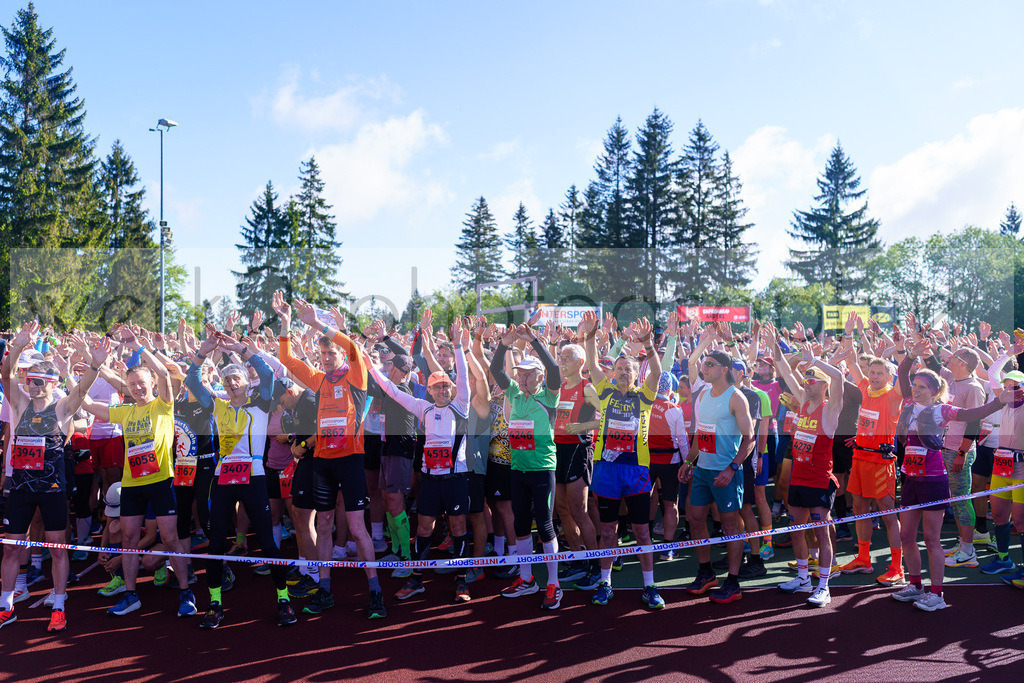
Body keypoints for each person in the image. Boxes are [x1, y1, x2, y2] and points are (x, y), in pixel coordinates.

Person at [271, 291, 385, 619]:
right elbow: (289, 362)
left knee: (357, 527)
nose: (326, 356)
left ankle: (374, 590)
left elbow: (354, 349)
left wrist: (321, 324)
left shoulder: (356, 375)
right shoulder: (319, 380)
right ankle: (324, 589)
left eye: (330, 350)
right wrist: (286, 324)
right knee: (324, 523)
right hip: (322, 461)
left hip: (350, 460)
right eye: (322, 352)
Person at [80, 325, 197, 618]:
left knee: (170, 539)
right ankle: (131, 594)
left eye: (141, 383)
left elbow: (163, 374)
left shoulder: (162, 405)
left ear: (152, 385)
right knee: (129, 539)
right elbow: (90, 404)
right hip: (132, 484)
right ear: (128, 389)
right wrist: (80, 373)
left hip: (161, 481)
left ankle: (186, 592)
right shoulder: (125, 411)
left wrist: (138, 347)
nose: (137, 388)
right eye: (132, 385)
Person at [890, 339, 1013, 611]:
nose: (916, 390)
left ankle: (937, 594)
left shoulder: (941, 409)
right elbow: (901, 373)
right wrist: (910, 355)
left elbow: (972, 413)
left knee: (932, 539)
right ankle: (915, 585)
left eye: (922, 387)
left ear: (935, 391)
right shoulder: (909, 402)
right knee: (907, 536)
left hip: (933, 480)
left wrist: (998, 402)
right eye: (915, 386)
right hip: (910, 478)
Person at [185, 332, 297, 628]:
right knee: (216, 544)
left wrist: (241, 350)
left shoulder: (261, 404)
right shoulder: (218, 405)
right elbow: (193, 382)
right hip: (223, 478)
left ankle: (284, 600)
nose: (232, 383)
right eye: (227, 381)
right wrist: (202, 352)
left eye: (237, 379)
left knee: (268, 544)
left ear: (247, 384)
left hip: (254, 477)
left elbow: (266, 371)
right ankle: (215, 604)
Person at [0, 324, 105, 632]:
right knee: (9, 548)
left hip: (52, 490)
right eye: (29, 381)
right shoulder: (19, 405)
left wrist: (96, 365)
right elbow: (5, 375)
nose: (33, 386)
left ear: (51, 383)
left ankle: (58, 604)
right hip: (20, 488)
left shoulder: (61, 409)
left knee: (57, 547)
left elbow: (82, 389)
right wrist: (17, 346)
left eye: (39, 382)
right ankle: (6, 605)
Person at [365, 317, 473, 603]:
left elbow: (462, 376)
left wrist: (459, 346)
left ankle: (462, 581)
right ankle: (416, 579)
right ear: (430, 390)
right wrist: (369, 366)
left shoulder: (461, 406)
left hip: (455, 480)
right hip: (430, 481)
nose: (442, 391)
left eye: (446, 387)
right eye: (436, 387)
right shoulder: (422, 407)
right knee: (424, 529)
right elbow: (389, 388)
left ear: (452, 390)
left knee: (458, 528)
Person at [579, 312, 666, 610]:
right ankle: (606, 583)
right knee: (608, 531)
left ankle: (650, 585)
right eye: (619, 368)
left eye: (628, 368)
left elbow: (656, 370)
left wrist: (647, 344)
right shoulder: (604, 392)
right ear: (613, 374)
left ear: (635, 373)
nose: (623, 372)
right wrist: (590, 337)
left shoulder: (644, 396)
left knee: (642, 531)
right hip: (606, 470)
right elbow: (591, 364)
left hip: (637, 471)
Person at [489, 320, 564, 609]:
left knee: (544, 526)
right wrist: (505, 343)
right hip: (517, 470)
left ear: (540, 376)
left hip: (542, 471)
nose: (521, 379)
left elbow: (555, 370)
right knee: (520, 523)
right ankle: (527, 578)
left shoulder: (549, 396)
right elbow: (496, 370)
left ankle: (553, 584)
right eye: (519, 374)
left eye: (527, 375)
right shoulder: (515, 395)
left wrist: (533, 340)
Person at [770, 334, 847, 608]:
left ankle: (823, 586)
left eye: (813, 380)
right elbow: (785, 371)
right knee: (795, 530)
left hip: (819, 481)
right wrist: (775, 348)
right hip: (798, 479)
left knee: (821, 533)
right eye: (807, 380)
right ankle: (803, 578)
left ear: (824, 386)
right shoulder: (803, 402)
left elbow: (838, 377)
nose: (807, 383)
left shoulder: (830, 409)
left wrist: (815, 360)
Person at [679, 331, 755, 605]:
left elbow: (750, 439)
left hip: (726, 472)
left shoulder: (736, 398)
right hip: (702, 470)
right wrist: (689, 461)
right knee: (695, 519)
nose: (703, 368)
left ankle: (733, 582)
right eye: (704, 365)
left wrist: (732, 469)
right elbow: (702, 433)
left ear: (724, 370)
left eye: (708, 364)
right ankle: (706, 572)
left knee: (731, 526)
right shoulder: (702, 396)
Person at [839, 317, 905, 586]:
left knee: (888, 513)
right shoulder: (865, 388)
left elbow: (906, 373)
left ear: (889, 377)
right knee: (859, 508)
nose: (874, 376)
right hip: (859, 458)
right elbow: (851, 361)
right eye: (872, 372)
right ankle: (863, 559)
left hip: (881, 462)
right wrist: (848, 332)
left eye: (879, 373)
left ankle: (897, 567)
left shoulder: (893, 396)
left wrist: (901, 350)